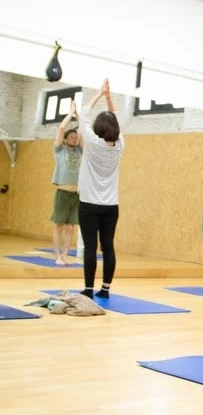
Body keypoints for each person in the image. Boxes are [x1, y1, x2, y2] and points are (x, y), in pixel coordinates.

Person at [77, 79, 124, 299]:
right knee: (108, 247)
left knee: (90, 247)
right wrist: (109, 98)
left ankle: (88, 289)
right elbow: (117, 122)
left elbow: (83, 114)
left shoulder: (93, 143)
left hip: (89, 204)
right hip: (110, 206)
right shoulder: (120, 145)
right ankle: (105, 289)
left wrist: (99, 93)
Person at [51, 102, 83, 264]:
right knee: (59, 225)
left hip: (76, 194)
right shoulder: (59, 150)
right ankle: (57, 255)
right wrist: (71, 113)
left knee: (71, 227)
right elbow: (61, 129)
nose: (74, 138)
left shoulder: (79, 150)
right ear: (65, 140)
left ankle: (65, 254)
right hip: (63, 193)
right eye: (71, 137)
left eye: (75, 137)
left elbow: (82, 130)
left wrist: (79, 115)